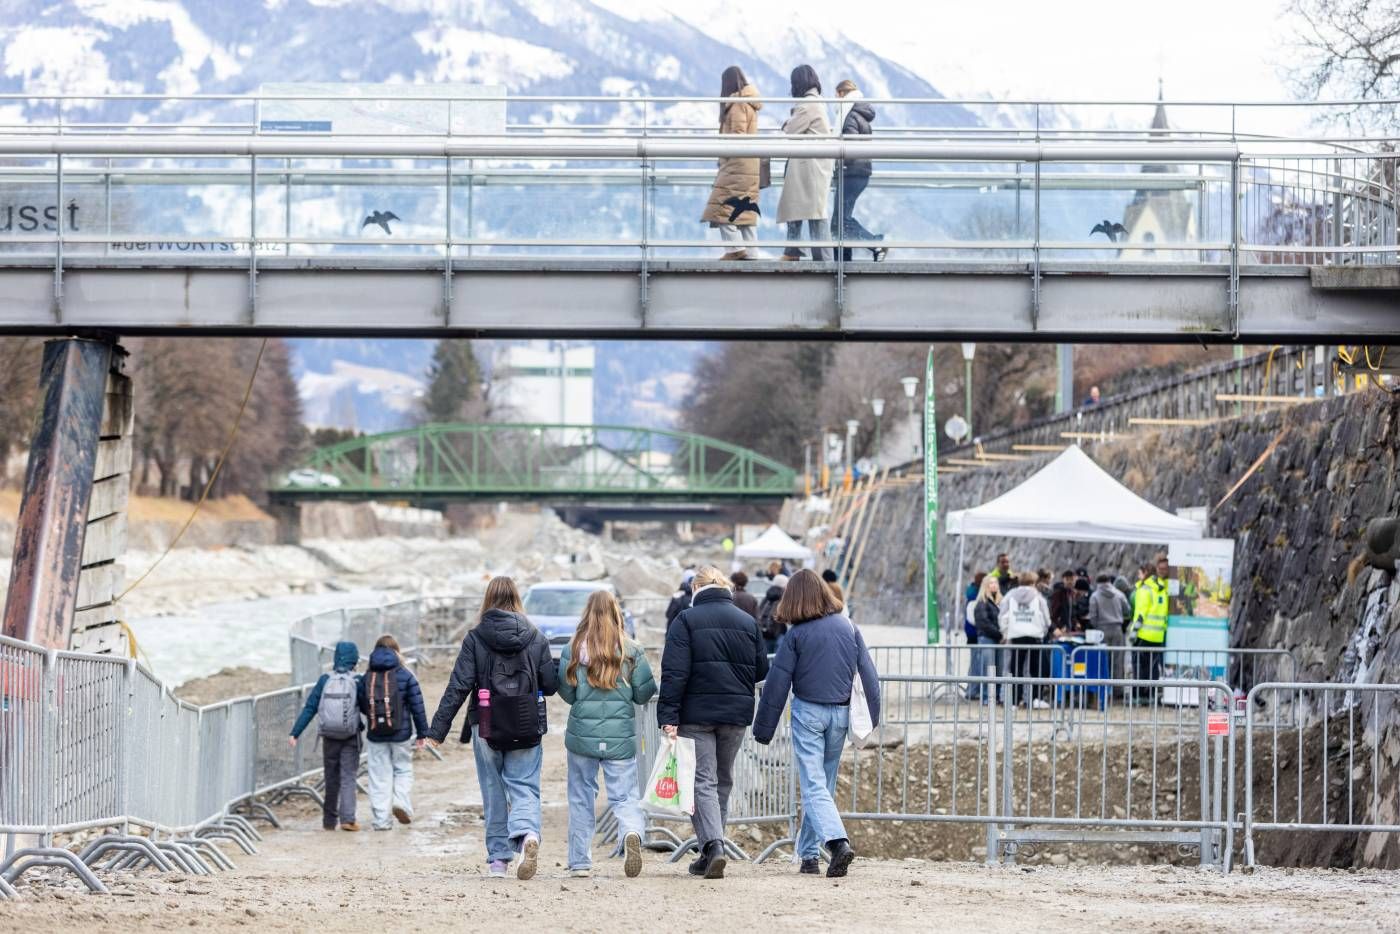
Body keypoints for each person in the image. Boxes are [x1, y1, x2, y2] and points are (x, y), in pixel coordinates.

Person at [425, 576, 558, 880]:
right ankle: (527, 836)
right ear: (517, 599)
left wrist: (437, 731)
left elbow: (458, 685)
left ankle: (498, 860)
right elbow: (550, 685)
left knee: (493, 790)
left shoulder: (476, 637)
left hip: (486, 724)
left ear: (487, 599)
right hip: (527, 722)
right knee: (524, 785)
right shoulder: (535, 636)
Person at [753, 569, 878, 878]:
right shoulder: (849, 626)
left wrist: (763, 727)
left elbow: (778, 681)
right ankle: (809, 855)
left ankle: (837, 843)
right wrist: (873, 718)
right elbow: (869, 675)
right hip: (840, 714)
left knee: (813, 785)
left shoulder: (796, 635)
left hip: (808, 712)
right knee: (822, 785)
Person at [658, 565, 769, 879]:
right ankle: (710, 852)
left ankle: (713, 846)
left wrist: (668, 715)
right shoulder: (747, 621)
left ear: (695, 588)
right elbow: (761, 669)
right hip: (736, 714)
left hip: (696, 714)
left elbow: (675, 672)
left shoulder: (686, 620)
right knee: (723, 779)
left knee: (701, 781)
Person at [557, 590, 657, 879]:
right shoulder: (630, 650)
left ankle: (580, 863)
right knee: (624, 796)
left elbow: (566, 691)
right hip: (620, 737)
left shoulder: (574, 648)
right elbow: (643, 694)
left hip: (581, 737)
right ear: (616, 612)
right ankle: (631, 833)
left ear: (587, 613)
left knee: (580, 797)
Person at [358, 635, 429, 832]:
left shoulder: (368, 677)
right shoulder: (405, 674)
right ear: (396, 651)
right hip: (401, 734)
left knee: (379, 776)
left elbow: (363, 704)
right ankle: (401, 802)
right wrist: (423, 732)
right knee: (403, 769)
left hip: (375, 734)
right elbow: (417, 705)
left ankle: (381, 821)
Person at [289, 640, 362, 831]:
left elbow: (311, 707)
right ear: (354, 660)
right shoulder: (357, 680)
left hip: (329, 736)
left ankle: (329, 821)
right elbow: (366, 706)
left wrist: (295, 732)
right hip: (350, 736)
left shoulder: (324, 680)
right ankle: (347, 819)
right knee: (348, 777)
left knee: (331, 778)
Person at [702, 66, 763, 260]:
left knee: (719, 207)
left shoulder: (737, 103)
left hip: (737, 163)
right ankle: (752, 252)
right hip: (750, 163)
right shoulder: (748, 102)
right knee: (745, 209)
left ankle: (735, 249)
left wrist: (725, 156)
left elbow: (738, 135)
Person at [778, 64, 834, 261]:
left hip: (809, 167)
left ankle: (822, 261)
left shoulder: (807, 105)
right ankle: (794, 251)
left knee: (813, 211)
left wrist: (785, 123)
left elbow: (791, 130)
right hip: (813, 165)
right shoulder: (817, 102)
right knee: (809, 209)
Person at [832, 79, 885, 262]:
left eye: (835, 95)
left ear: (841, 94)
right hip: (859, 173)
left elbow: (851, 147)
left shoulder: (849, 115)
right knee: (841, 220)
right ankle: (844, 261)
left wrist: (839, 161)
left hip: (851, 172)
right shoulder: (860, 114)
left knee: (839, 222)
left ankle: (874, 244)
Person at [999, 571, 1051, 709]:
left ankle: (1015, 700)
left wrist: (1005, 632)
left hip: (1016, 635)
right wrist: (1043, 631)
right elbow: (1046, 618)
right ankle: (1033, 698)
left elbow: (1003, 615)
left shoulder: (1010, 595)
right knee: (1035, 669)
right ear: (1033, 582)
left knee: (1016, 668)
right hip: (1035, 635)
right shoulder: (1038, 597)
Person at [1130, 554, 1171, 698]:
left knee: (1139, 666)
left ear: (1145, 573)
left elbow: (1140, 614)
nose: (1138, 575)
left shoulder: (1144, 590)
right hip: (1158, 636)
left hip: (1143, 634)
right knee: (1153, 668)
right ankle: (1151, 695)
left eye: (1140, 573)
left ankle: (1138, 695)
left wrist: (1133, 633)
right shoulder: (1162, 590)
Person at [1088, 573, 1131, 691]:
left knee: (1103, 660)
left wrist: (1097, 626)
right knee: (1118, 659)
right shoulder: (1119, 594)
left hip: (1102, 630)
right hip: (1117, 629)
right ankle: (1117, 690)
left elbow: (1093, 616)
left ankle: (1103, 689)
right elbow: (1127, 610)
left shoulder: (1095, 596)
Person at [966, 574, 1003, 704]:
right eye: (991, 583)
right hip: (987, 638)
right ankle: (987, 696)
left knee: (999, 668)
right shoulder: (981, 603)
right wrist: (1000, 634)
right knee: (988, 668)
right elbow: (984, 623)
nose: (994, 585)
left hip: (998, 639)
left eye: (995, 583)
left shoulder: (999, 602)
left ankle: (996, 695)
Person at [757, 573, 788, 655]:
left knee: (767, 658)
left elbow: (759, 611)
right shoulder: (784, 597)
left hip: (765, 633)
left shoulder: (767, 596)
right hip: (779, 633)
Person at [1048, 570, 1076, 634]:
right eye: (1067, 579)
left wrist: (1075, 623)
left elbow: (1071, 613)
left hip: (1068, 629)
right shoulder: (1058, 593)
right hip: (1059, 630)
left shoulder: (1071, 593)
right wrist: (1058, 627)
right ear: (1063, 580)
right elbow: (1053, 614)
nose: (1070, 582)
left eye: (1072, 579)